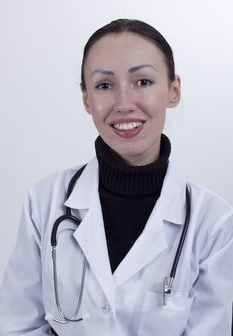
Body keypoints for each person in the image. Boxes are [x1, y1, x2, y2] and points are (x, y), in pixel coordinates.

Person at [0, 18, 232, 336]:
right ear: (86, 99)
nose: (124, 104)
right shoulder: (43, 203)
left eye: (143, 82)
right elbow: (17, 327)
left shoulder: (215, 224)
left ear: (173, 91)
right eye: (104, 86)